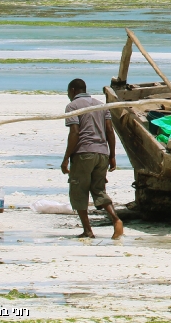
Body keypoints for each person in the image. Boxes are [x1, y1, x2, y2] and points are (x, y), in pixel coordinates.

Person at [61, 78, 123, 239]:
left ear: (73, 90)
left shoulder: (72, 106)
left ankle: (88, 230)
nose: (68, 95)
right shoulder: (101, 105)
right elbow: (110, 130)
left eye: (69, 92)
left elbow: (74, 133)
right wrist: (112, 156)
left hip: (84, 153)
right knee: (99, 190)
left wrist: (66, 157)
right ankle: (116, 220)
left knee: (78, 191)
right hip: (102, 153)